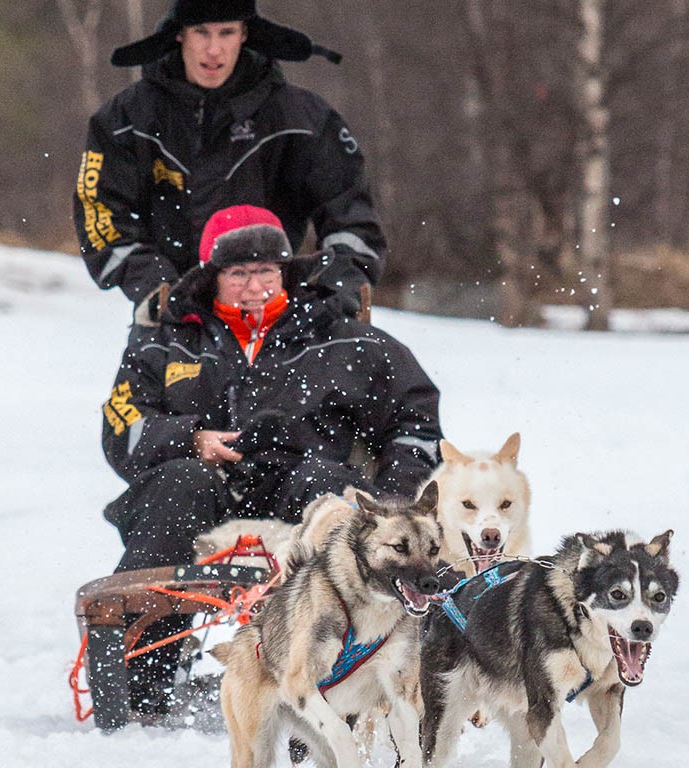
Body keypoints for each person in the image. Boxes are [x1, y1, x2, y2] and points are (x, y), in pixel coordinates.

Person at [100, 204, 441, 718]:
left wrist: (394, 501)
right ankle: (144, 687)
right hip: (206, 484)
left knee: (332, 492)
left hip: (301, 483)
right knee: (178, 484)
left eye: (265, 270)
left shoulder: (344, 337)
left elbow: (415, 422)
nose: (253, 284)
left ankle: (336, 680)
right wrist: (190, 439)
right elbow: (122, 428)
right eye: (237, 273)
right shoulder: (168, 339)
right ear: (212, 279)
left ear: (286, 272)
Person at [74, 0, 386, 325]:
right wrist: (156, 287)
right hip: (173, 317)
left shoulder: (303, 120)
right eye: (201, 32)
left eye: (226, 32)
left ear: (245, 34)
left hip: (277, 318)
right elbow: (100, 213)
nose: (213, 50)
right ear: (179, 34)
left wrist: (332, 292)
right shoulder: (125, 119)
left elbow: (352, 219)